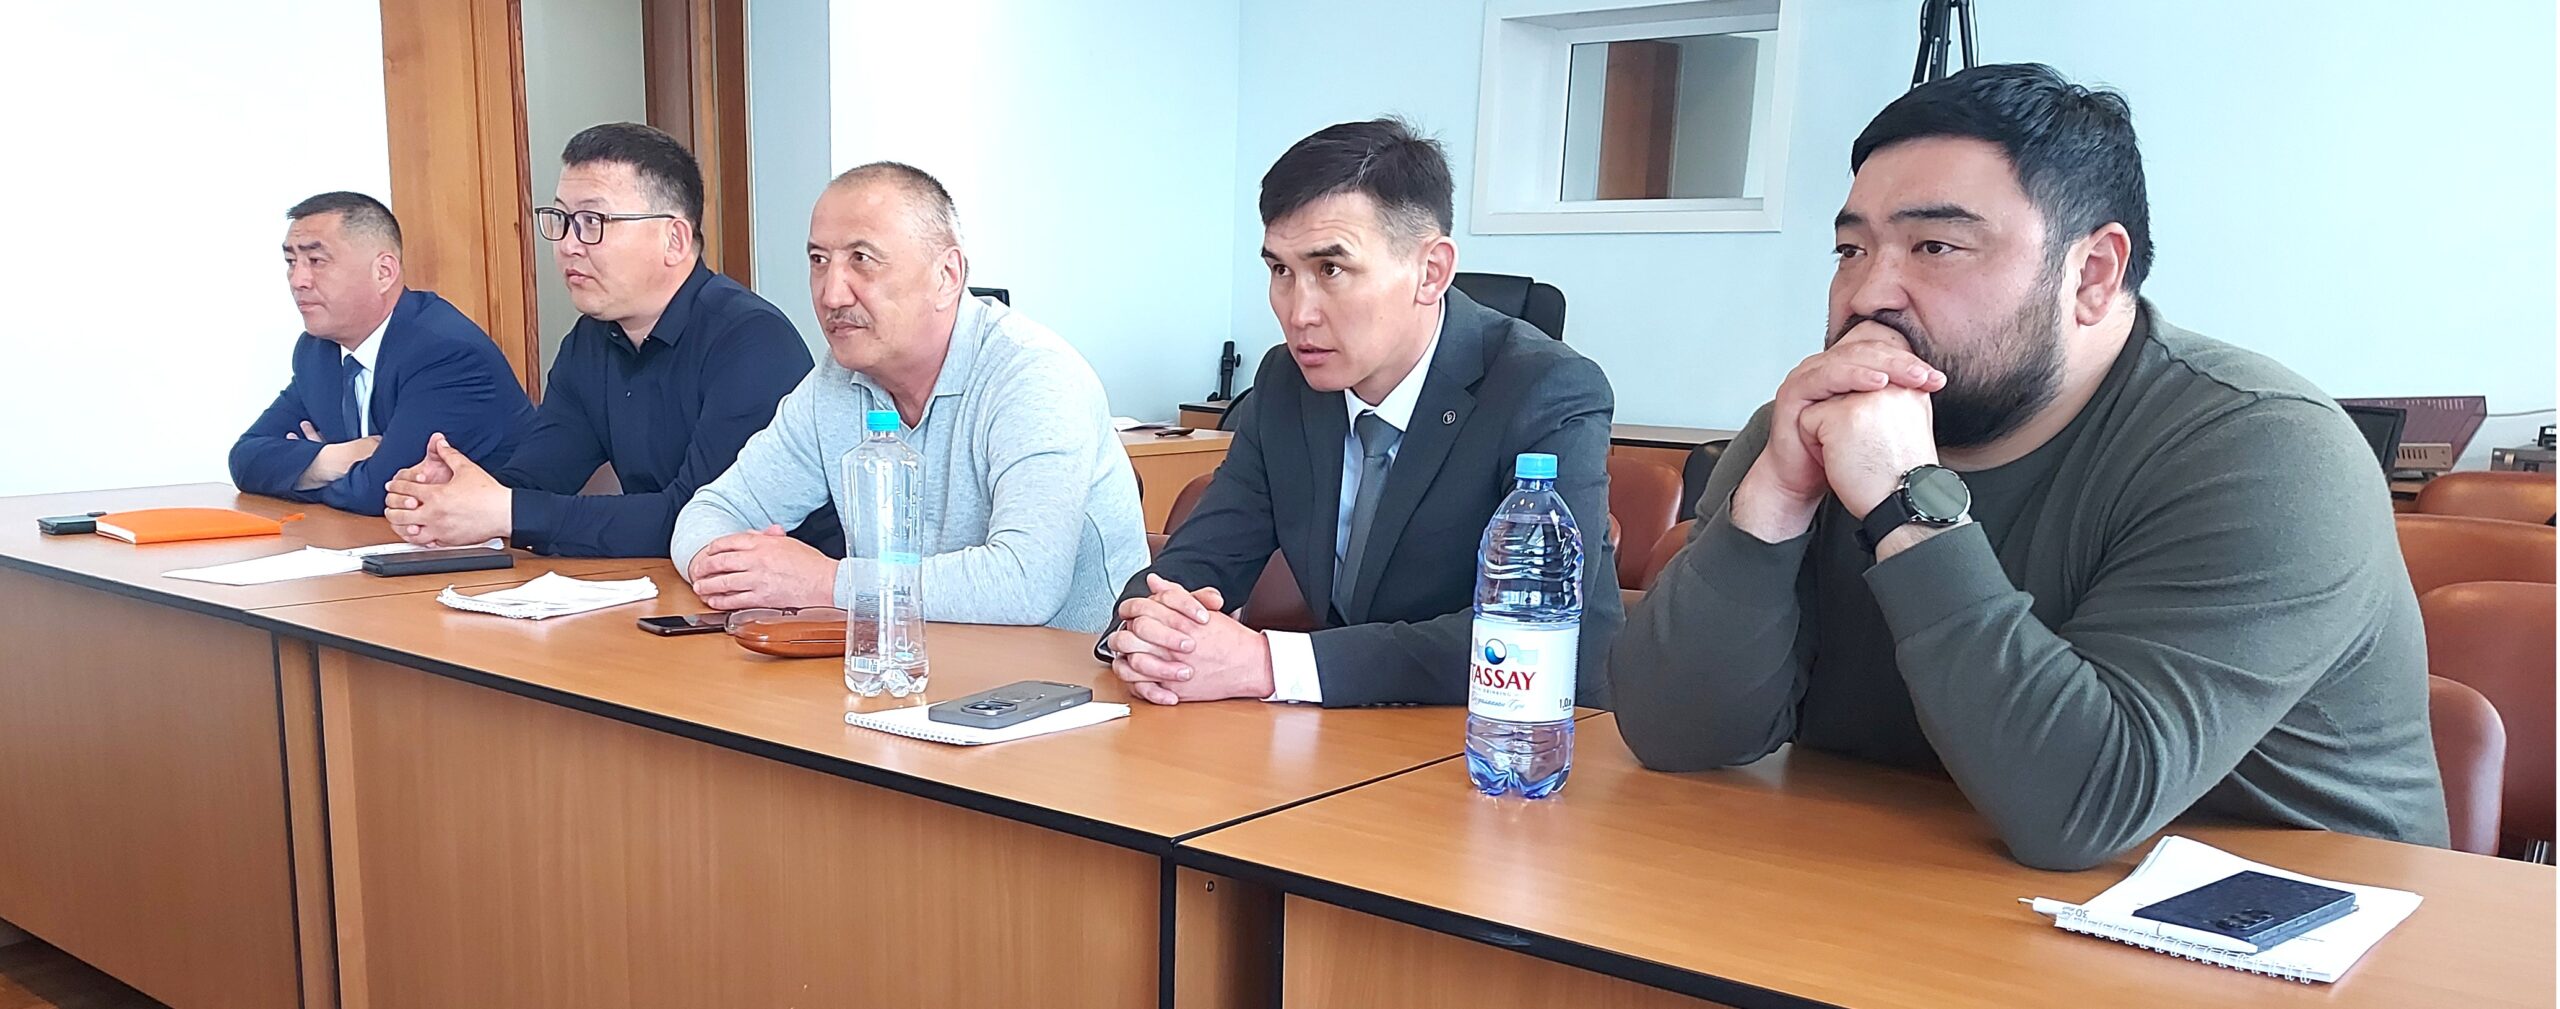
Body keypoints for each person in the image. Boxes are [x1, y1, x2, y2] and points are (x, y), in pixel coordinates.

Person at [1611, 64, 2445, 870]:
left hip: (2288, 927)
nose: (1868, 295)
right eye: (1850, 249)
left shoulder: (2267, 451)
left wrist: (1906, 504)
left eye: (1935, 246)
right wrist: (1774, 501)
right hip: (1926, 885)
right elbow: (1674, 732)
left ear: (2092, 274)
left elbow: (2078, 804)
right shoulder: (1815, 429)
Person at [1101, 117, 1619, 708]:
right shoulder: (1286, 384)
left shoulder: (1545, 389)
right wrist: (1149, 630)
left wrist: (1268, 664)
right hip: (1350, 732)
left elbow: (1542, 630)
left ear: (1430, 272)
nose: (1299, 313)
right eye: (1281, 271)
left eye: (1331, 270)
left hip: (1527, 735)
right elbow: (1200, 559)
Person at [670, 163, 1146, 632]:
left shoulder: (1033, 375)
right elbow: (710, 512)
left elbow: (1026, 582)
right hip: (907, 659)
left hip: (1069, 669)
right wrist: (735, 571)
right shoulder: (835, 382)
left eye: (862, 259)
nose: (832, 295)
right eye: (818, 261)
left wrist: (823, 582)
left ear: (947, 275)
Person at [383, 122, 837, 557]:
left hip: (781, 598)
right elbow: (539, 477)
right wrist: (460, 492)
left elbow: (697, 519)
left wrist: (506, 511)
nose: (568, 244)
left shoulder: (751, 341)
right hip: (661, 585)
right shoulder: (591, 339)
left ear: (674, 239)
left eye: (592, 220)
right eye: (561, 219)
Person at [230, 192, 531, 515]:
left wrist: (301, 472)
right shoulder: (317, 353)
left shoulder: (445, 353)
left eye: (316, 261)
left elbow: (382, 490)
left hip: (497, 543)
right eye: (291, 262)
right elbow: (245, 460)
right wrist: (333, 459)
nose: (298, 280)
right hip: (376, 537)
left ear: (384, 272)